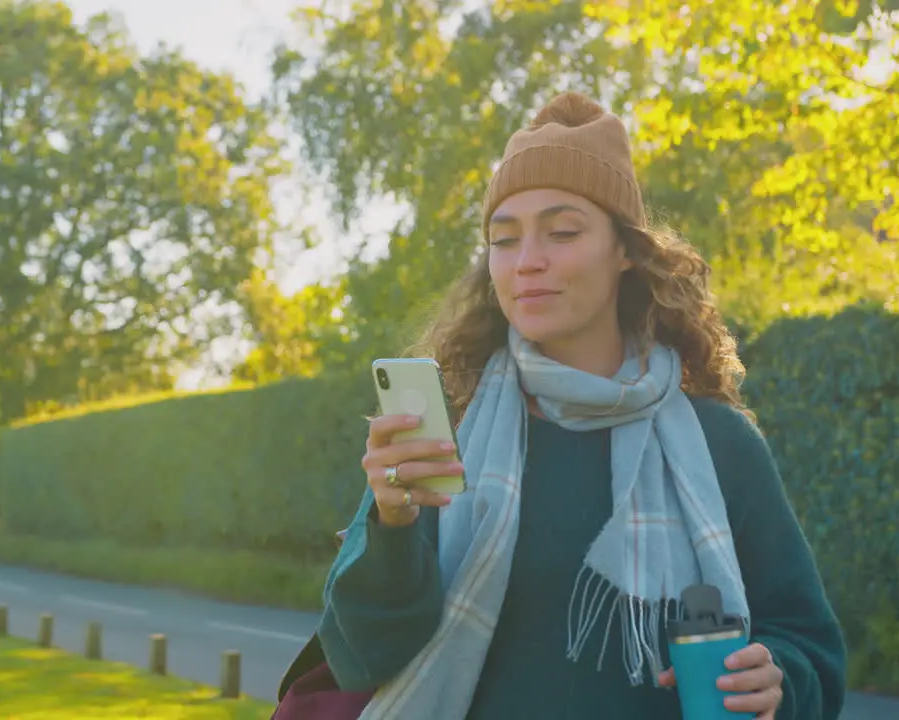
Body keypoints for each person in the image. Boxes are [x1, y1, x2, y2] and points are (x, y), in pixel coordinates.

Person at [316, 93, 847, 719]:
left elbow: (810, 648)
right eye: (503, 239)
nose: (528, 261)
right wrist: (392, 525)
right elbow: (362, 657)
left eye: (562, 232)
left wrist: (777, 678)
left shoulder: (719, 444)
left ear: (626, 251)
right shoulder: (445, 441)